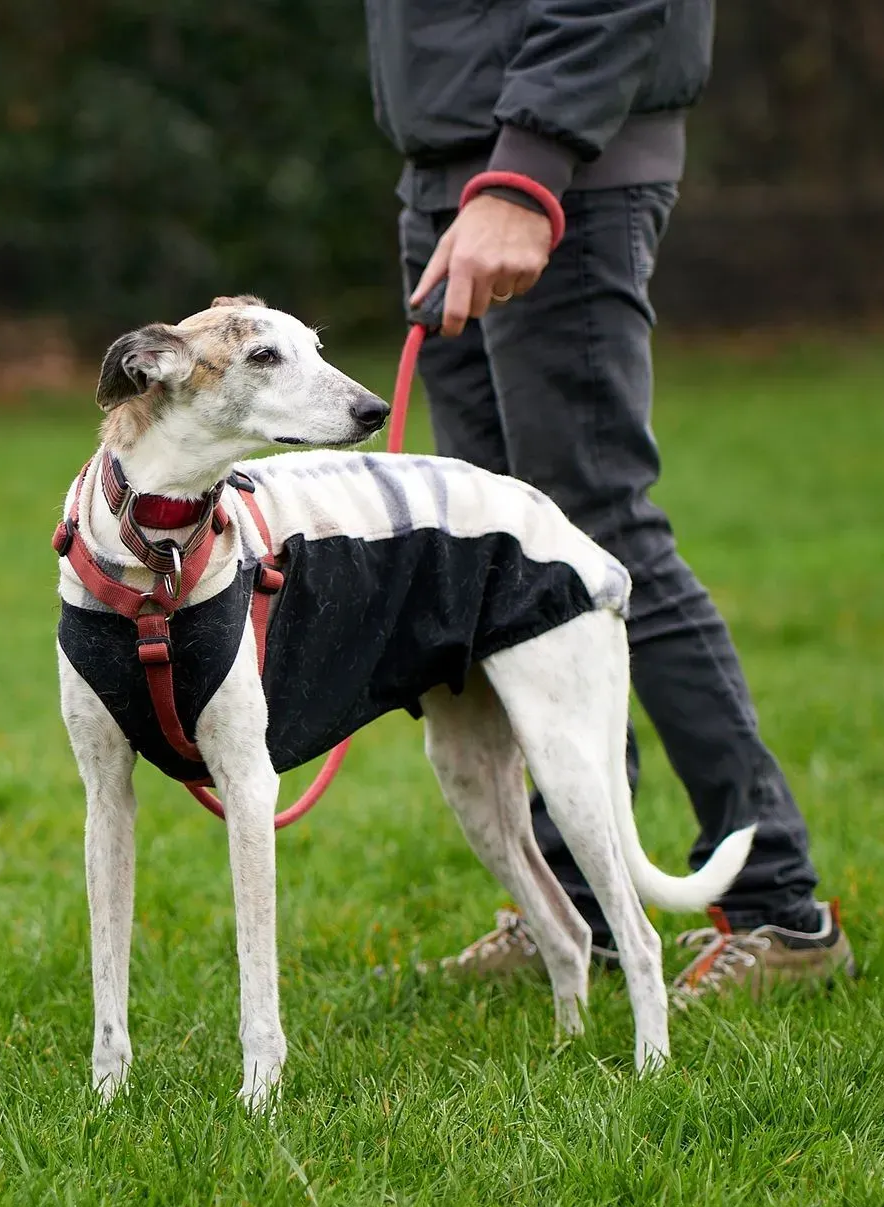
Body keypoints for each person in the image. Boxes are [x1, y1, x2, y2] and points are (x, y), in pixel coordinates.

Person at [363, 0, 854, 1002]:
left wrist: (525, 169)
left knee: (598, 534)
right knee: (516, 569)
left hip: (554, 175)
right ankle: (574, 904)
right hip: (453, 172)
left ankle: (777, 907)